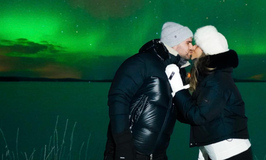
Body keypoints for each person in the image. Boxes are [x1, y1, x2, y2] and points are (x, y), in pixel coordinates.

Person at [104, 22, 193, 160]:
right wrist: (123, 145)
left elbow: (182, 113)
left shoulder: (178, 73)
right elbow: (118, 98)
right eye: (189, 42)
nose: (192, 47)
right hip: (131, 152)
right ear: (175, 41)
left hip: (158, 155)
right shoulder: (143, 62)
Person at [166, 25, 252, 160]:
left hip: (230, 152)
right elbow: (191, 113)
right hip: (221, 150)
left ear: (207, 50)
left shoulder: (217, 80)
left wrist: (177, 89)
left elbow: (198, 116)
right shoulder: (210, 77)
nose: (193, 47)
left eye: (197, 44)